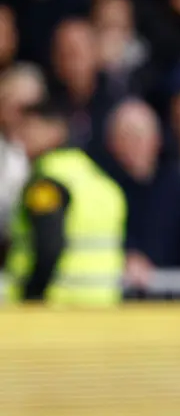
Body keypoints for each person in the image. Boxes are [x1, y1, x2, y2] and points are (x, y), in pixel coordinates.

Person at [5, 99, 127, 306]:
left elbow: (49, 247)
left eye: (30, 128)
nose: (21, 137)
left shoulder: (46, 183)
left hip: (56, 305)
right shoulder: (99, 180)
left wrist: (30, 297)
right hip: (103, 304)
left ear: (56, 130)